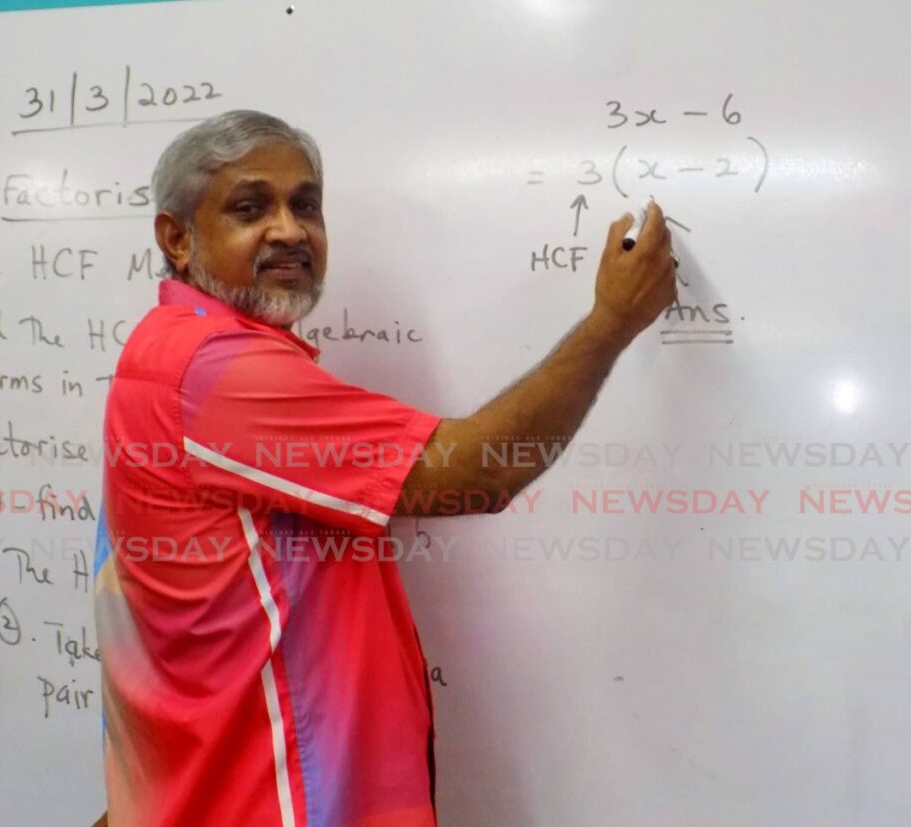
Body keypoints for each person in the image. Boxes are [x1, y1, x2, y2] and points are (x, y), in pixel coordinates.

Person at [93, 110, 676, 827]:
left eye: (305, 205)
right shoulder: (218, 374)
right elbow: (479, 474)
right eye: (250, 207)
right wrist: (610, 322)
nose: (289, 229)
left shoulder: (165, 349)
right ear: (176, 239)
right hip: (273, 802)